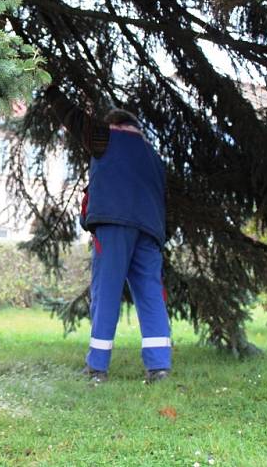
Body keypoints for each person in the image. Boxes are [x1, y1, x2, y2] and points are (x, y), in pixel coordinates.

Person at [46, 86, 171, 384]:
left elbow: (72, 117)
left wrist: (50, 88)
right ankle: (159, 367)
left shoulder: (107, 137)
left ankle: (97, 368)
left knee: (107, 292)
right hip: (150, 230)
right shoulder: (154, 157)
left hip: (114, 224)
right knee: (151, 294)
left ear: (114, 123)